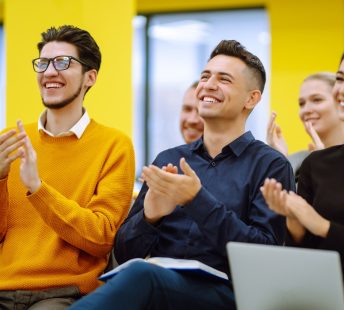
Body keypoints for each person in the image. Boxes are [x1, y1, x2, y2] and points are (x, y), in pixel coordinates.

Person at [69, 40, 295, 310]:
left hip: (227, 294)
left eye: (224, 79)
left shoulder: (271, 165)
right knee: (139, 274)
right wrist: (150, 216)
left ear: (252, 98)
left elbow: (264, 255)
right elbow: (125, 253)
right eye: (205, 77)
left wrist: (197, 200)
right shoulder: (168, 159)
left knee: (142, 276)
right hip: (158, 283)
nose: (208, 85)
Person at [0, 25, 135, 309]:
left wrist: (37, 188)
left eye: (63, 63)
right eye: (44, 63)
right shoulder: (9, 141)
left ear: (90, 77)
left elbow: (101, 237)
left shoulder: (114, 145)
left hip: (63, 292)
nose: (49, 72)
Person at [261, 43, 344, 310]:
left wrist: (321, 225)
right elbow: (305, 251)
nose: (343, 90)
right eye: (341, 78)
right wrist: (292, 218)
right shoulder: (317, 164)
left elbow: (322, 229)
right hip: (317, 296)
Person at [266, 72, 344, 177]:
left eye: (317, 100)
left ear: (342, 102)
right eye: (302, 103)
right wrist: (280, 163)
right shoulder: (294, 162)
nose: (306, 110)